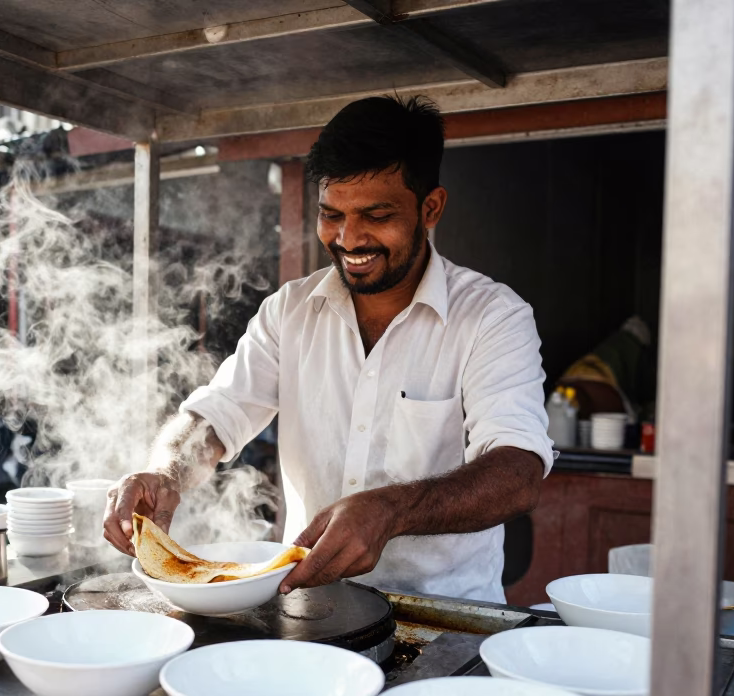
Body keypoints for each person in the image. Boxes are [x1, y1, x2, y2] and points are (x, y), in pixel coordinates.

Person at [104, 96, 553, 602]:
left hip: (446, 616)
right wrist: (165, 472)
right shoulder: (289, 311)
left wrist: (391, 511)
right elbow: (218, 415)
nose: (348, 238)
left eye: (376, 215)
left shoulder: (492, 316)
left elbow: (518, 471)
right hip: (308, 610)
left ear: (430, 208)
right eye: (330, 214)